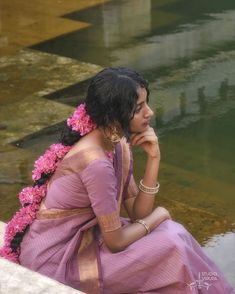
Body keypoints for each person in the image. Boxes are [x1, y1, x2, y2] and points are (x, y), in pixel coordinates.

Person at [0, 67, 234, 294]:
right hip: (59, 257)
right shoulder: (95, 162)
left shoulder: (117, 144)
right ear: (114, 116)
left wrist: (154, 158)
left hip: (88, 238)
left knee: (176, 235)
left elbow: (136, 213)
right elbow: (116, 241)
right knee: (172, 244)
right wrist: (159, 215)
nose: (149, 112)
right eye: (139, 107)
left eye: (146, 103)